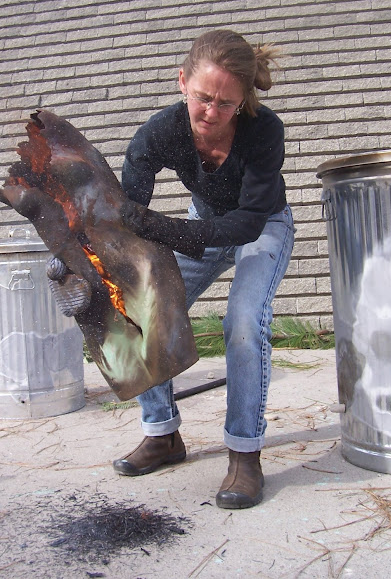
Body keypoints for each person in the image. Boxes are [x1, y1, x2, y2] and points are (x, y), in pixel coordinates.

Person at [113, 29, 295, 509]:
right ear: (181, 83)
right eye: (202, 98)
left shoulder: (264, 131)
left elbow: (251, 219)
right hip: (205, 221)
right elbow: (131, 210)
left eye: (225, 104)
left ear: (243, 101)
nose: (211, 113)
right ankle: (163, 435)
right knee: (137, 312)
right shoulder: (159, 132)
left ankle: (244, 452)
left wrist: (174, 234)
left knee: (242, 323)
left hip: (263, 226)